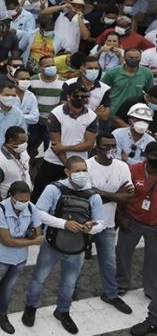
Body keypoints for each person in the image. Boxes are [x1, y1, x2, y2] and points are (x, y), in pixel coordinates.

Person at [0, 181, 42, 334]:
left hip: (19, 258)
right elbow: (6, 240)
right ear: (11, 196)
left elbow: (38, 232)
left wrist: (33, 236)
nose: (24, 203)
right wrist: (32, 240)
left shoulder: (32, 208)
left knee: (8, 288)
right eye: (20, 200)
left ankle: (0, 314)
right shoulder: (0, 209)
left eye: (27, 200)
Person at [86, 133, 136, 314]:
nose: (110, 149)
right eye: (106, 146)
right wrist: (117, 194)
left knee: (109, 262)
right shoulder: (87, 166)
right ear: (96, 147)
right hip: (86, 223)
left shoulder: (122, 167)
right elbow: (87, 196)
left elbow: (129, 195)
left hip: (107, 223)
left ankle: (111, 294)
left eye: (113, 145)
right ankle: (70, 291)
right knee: (75, 261)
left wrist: (102, 194)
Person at [117, 142, 157, 336]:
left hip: (155, 226)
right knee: (123, 253)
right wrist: (120, 217)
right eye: (154, 155)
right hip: (131, 220)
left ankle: (151, 289)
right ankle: (122, 283)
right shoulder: (133, 169)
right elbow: (121, 195)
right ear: (147, 155)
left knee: (154, 260)